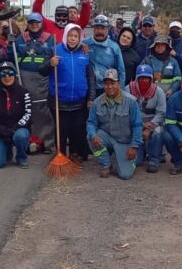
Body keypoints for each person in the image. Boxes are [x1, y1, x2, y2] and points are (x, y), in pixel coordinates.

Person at [41, 24, 96, 161]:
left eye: (76, 36)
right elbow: (41, 70)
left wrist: (91, 97)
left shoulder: (84, 53)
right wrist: (50, 63)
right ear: (65, 36)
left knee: (76, 130)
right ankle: (61, 156)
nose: (73, 39)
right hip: (60, 100)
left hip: (79, 101)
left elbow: (91, 77)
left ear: (80, 38)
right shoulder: (54, 50)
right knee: (61, 130)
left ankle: (74, 155)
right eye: (70, 35)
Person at [86, 69, 143, 179]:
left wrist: (134, 146)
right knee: (90, 136)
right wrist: (93, 135)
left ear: (119, 83)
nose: (109, 87)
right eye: (106, 84)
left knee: (125, 175)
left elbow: (137, 125)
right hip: (107, 137)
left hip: (125, 142)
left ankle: (126, 157)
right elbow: (91, 122)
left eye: (113, 83)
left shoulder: (131, 101)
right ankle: (106, 164)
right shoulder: (97, 102)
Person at [15, 12, 56, 154]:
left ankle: (47, 143)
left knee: (43, 111)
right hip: (24, 78)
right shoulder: (19, 39)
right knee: (26, 110)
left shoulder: (50, 39)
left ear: (41, 23)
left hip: (42, 79)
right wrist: (9, 45)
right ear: (28, 23)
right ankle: (28, 141)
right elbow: (11, 57)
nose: (34, 25)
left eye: (37, 22)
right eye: (31, 22)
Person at [0, 62, 32, 169]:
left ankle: (21, 157)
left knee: (21, 136)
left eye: (10, 73)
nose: (7, 77)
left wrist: (15, 128)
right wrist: (0, 129)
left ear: (14, 74)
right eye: (3, 75)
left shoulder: (24, 92)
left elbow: (28, 114)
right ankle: (7, 150)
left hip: (18, 129)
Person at [125, 64, 167, 173]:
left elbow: (161, 113)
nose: (144, 81)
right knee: (137, 162)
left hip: (153, 123)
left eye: (147, 78)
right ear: (136, 78)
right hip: (135, 124)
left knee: (158, 132)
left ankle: (154, 160)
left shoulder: (158, 91)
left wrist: (150, 128)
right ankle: (142, 151)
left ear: (151, 78)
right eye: (141, 78)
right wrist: (141, 126)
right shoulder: (128, 90)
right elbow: (125, 112)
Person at [83, 15, 126, 97]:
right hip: (87, 88)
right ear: (93, 29)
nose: (99, 31)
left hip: (107, 89)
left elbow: (121, 71)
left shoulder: (114, 47)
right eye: (97, 28)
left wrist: (120, 92)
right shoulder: (85, 43)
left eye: (103, 28)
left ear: (108, 29)